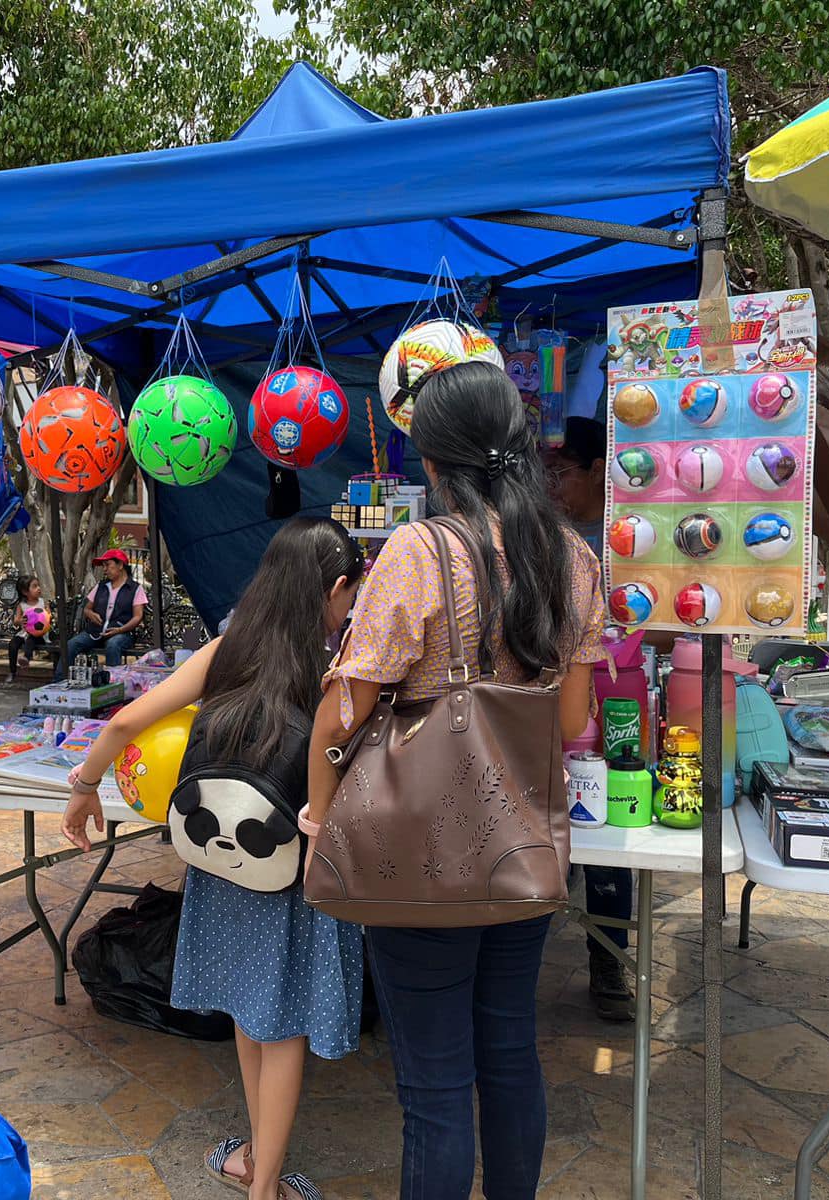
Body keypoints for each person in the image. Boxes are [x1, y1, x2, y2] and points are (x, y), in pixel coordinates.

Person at [306, 360, 605, 1199]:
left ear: (431, 462)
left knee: (434, 1085)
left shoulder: (418, 551)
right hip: (524, 840)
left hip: (420, 847)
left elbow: (340, 717)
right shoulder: (571, 557)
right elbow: (574, 718)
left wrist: (319, 818)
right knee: (508, 1051)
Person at [64, 517, 367, 1200]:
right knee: (281, 1021)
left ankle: (258, 1160)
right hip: (291, 865)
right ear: (337, 588)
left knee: (245, 1007)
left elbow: (123, 722)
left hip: (220, 860)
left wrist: (85, 788)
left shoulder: (228, 650)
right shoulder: (339, 671)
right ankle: (266, 1185)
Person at [547, 416, 635, 1022]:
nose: (551, 484)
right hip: (554, 702)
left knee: (605, 835)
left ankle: (609, 957)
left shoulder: (631, 537)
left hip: (616, 699)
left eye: (561, 471)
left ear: (600, 469)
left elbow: (657, 622)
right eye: (542, 473)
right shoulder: (542, 539)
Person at [54, 549, 147, 680]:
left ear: (120, 565)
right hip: (95, 632)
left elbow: (138, 616)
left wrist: (119, 630)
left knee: (113, 645)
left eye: (108, 565)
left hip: (122, 633)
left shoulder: (135, 588)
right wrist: (90, 613)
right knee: (71, 644)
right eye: (103, 566)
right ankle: (58, 681)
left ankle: (112, 685)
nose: (104, 569)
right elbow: (87, 608)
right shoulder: (101, 586)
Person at [6, 575, 48, 682]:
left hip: (39, 634)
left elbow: (48, 616)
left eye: (38, 585)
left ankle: (26, 658)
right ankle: (12, 671)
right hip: (24, 632)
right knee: (12, 644)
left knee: (31, 640)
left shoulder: (43, 603)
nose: (38, 588)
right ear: (25, 592)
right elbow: (16, 621)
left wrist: (46, 617)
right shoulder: (22, 605)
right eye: (34, 586)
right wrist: (20, 621)